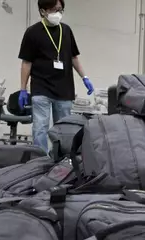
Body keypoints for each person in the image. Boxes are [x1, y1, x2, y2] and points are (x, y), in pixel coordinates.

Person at [18, 0, 93, 151]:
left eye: (60, 9)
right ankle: (40, 162)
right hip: (41, 88)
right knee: (40, 128)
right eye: (53, 10)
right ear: (43, 11)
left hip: (64, 89)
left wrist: (85, 77)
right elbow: (27, 62)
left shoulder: (66, 30)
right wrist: (23, 89)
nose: (57, 13)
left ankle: (61, 162)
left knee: (64, 130)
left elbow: (73, 58)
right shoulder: (32, 32)